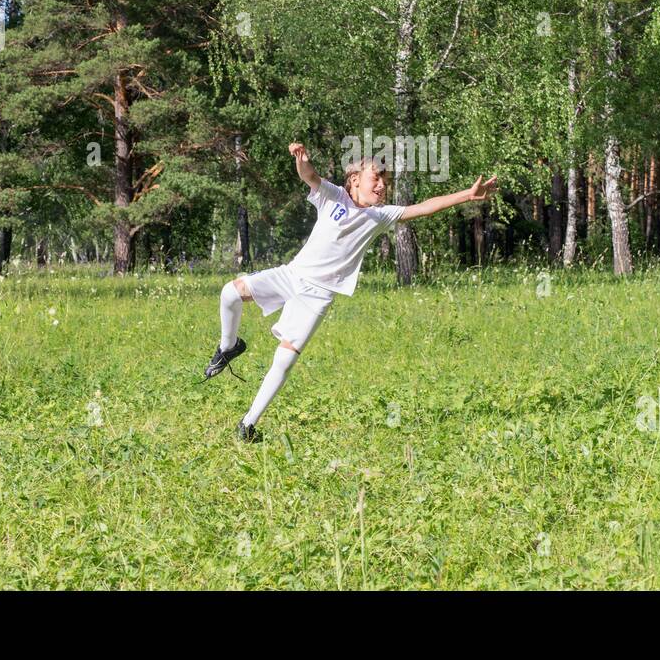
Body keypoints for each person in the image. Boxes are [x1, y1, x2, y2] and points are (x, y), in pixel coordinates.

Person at [205, 141, 498, 441]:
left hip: (318, 295)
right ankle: (229, 347)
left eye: (386, 182)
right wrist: (301, 159)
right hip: (292, 275)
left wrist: (467, 195)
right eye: (377, 178)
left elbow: (423, 208)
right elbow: (310, 176)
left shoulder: (380, 215)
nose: (383, 186)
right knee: (230, 292)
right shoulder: (334, 197)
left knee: (285, 359)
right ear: (355, 179)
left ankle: (248, 424)